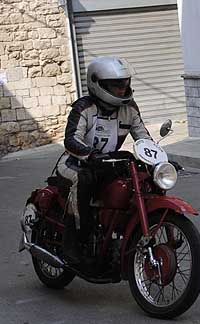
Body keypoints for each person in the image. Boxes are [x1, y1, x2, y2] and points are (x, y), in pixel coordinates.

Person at [57, 57, 152, 264]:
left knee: (139, 182)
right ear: (98, 84)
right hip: (74, 164)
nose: (121, 90)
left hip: (108, 165)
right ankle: (76, 241)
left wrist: (160, 159)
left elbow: (143, 138)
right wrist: (90, 155)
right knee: (83, 180)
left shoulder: (130, 109)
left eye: (124, 84)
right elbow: (71, 140)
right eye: (115, 85)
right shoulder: (84, 108)